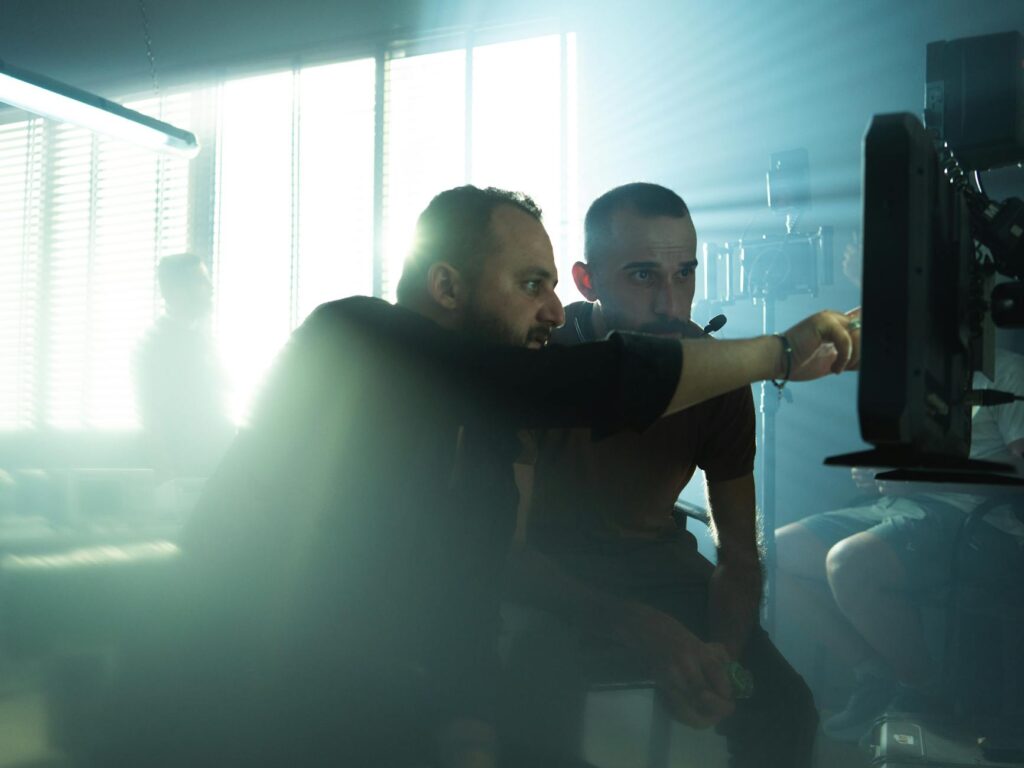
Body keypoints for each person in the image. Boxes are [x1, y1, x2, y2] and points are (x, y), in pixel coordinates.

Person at [98, 185, 860, 768]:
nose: (555, 313)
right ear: (448, 288)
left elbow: (467, 603)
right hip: (220, 676)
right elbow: (581, 388)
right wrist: (778, 355)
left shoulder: (486, 441)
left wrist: (470, 729)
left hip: (350, 675)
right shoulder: (355, 333)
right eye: (533, 285)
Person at [507, 183, 818, 768]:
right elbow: (510, 553)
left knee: (786, 708)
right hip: (552, 568)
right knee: (531, 704)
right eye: (644, 276)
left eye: (685, 275)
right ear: (587, 281)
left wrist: (724, 655)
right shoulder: (543, 362)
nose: (672, 305)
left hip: (660, 564)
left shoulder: (717, 375)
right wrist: (636, 626)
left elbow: (739, 556)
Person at [776, 337, 1024, 741]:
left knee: (849, 563)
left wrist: (921, 475)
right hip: (905, 505)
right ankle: (873, 673)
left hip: (977, 521)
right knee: (770, 553)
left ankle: (927, 693)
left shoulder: (1009, 372)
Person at [133, 253, 234, 480]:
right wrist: (170, 482)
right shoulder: (156, 346)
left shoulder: (203, 340)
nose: (211, 287)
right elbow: (152, 421)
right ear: (178, 292)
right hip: (189, 477)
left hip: (217, 469)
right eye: (201, 280)